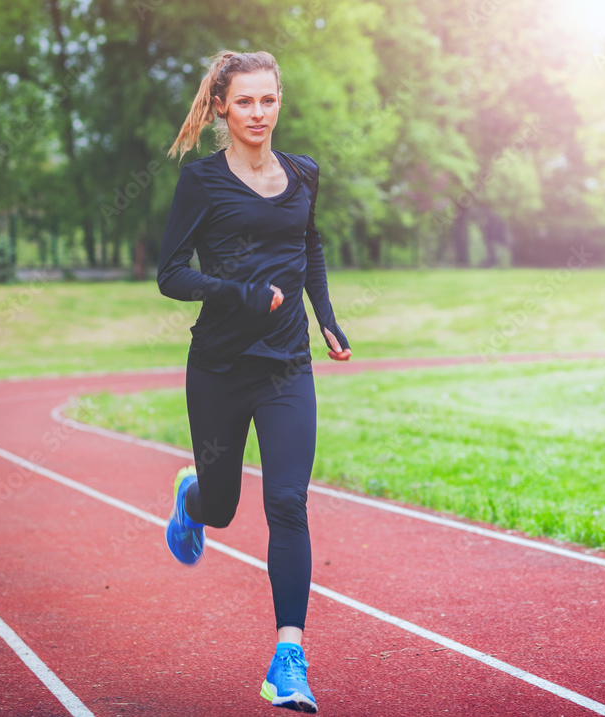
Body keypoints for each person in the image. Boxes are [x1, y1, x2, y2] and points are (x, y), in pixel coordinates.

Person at [157, 49, 352, 714]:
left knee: (288, 502)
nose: (259, 113)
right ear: (220, 107)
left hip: (288, 367)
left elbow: (310, 246)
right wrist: (239, 291)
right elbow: (171, 273)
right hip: (218, 367)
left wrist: (326, 319)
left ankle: (288, 658)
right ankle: (193, 499)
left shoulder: (304, 173)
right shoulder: (202, 183)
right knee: (223, 507)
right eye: (245, 102)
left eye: (268, 100)